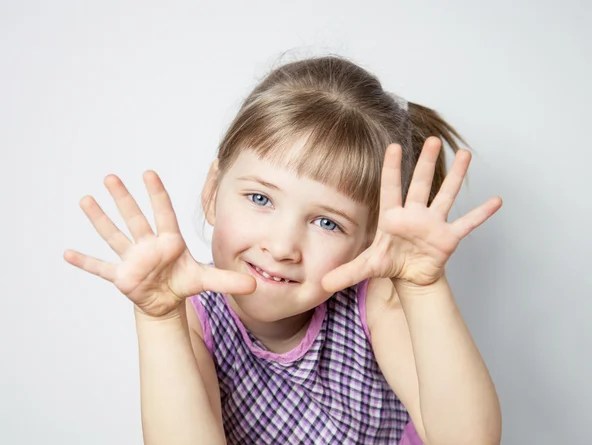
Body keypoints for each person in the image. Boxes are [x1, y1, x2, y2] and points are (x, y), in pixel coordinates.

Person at [64, 55, 503, 444]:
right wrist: (158, 318)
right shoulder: (191, 317)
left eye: (327, 222)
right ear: (213, 191)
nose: (281, 246)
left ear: (368, 242)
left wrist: (425, 287)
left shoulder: (374, 299)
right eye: (260, 199)